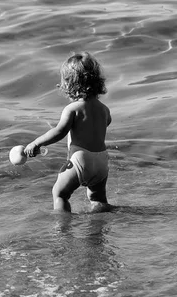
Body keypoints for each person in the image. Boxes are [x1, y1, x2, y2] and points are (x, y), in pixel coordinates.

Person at [24, 52, 112, 213]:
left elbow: (59, 131)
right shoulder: (104, 109)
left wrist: (37, 143)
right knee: (97, 198)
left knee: (60, 194)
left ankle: (63, 231)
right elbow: (107, 122)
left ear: (70, 84)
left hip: (81, 159)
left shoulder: (72, 109)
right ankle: (99, 230)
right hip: (101, 162)